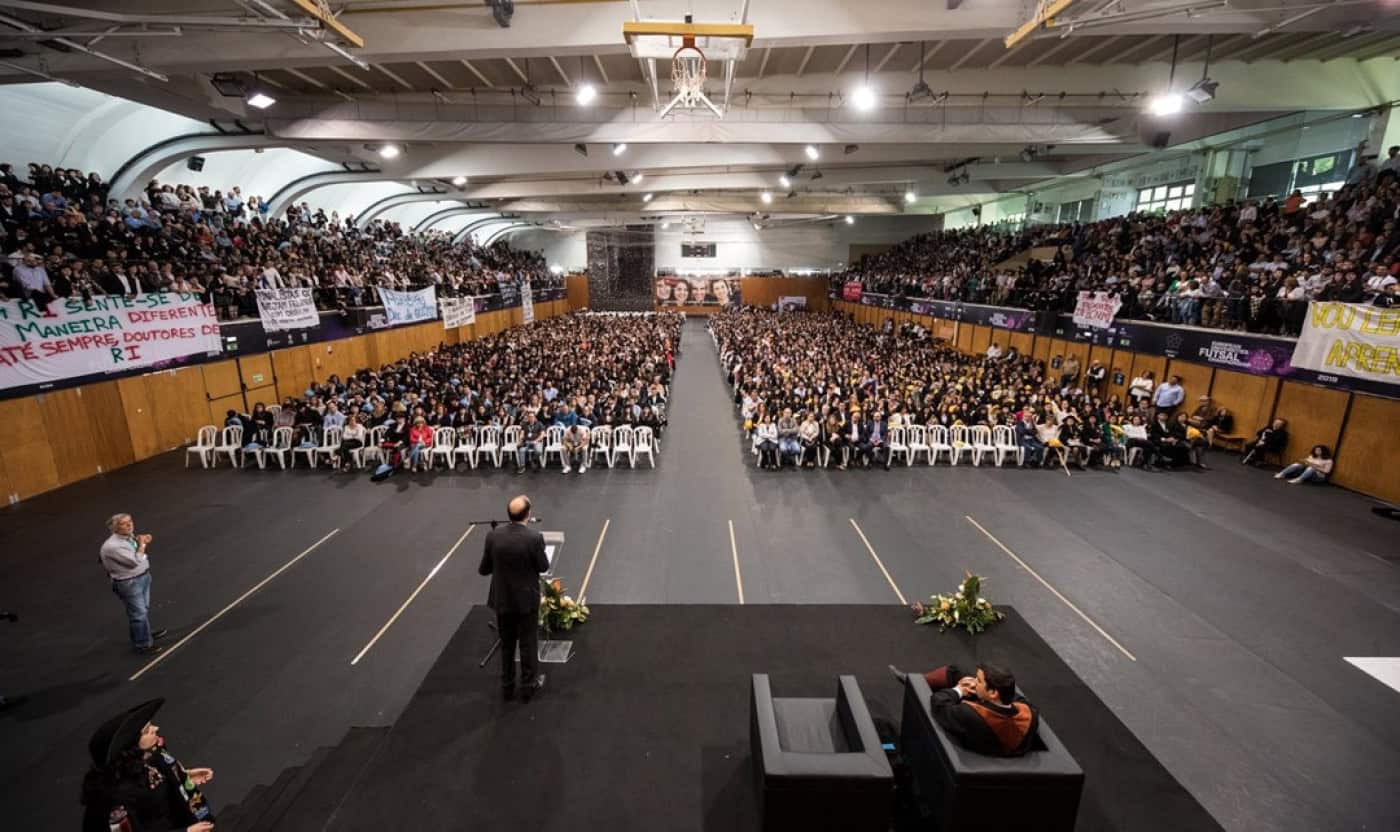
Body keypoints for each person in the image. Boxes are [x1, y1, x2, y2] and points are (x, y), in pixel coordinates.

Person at [81, 698, 215, 832]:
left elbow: (159, 788)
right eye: (146, 731)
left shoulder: (152, 756)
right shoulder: (117, 797)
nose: (156, 728)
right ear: (131, 747)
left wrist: (185, 776)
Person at [477, 496, 550, 703]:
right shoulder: (534, 538)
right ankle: (529, 685)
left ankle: (507, 686)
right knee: (528, 643)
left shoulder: (493, 536)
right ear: (528, 514)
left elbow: (484, 569)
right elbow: (543, 567)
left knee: (507, 644)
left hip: (503, 599)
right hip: (526, 601)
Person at [888, 663, 1040, 757]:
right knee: (957, 671)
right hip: (995, 729)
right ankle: (914, 678)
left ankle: (914, 683)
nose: (975, 682)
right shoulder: (1030, 714)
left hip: (977, 741)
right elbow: (1018, 699)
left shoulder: (969, 714)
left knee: (955, 679)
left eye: (979, 681)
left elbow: (939, 704)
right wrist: (979, 688)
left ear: (993, 692)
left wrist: (959, 690)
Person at [99, 514, 167, 655]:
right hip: (129, 583)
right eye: (124, 524)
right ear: (115, 528)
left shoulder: (128, 537)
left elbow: (135, 552)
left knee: (143, 609)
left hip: (142, 578)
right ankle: (142, 644)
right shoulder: (112, 546)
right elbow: (135, 561)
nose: (130, 525)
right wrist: (142, 544)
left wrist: (139, 540)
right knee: (138, 614)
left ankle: (144, 632)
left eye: (130, 521)